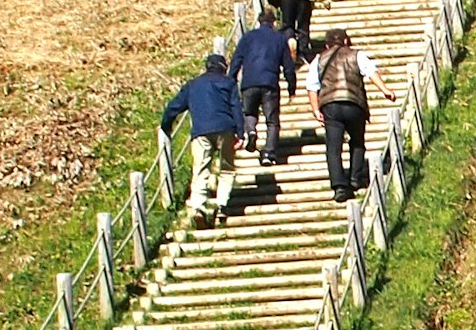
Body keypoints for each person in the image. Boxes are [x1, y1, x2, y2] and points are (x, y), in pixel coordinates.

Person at [162, 48, 244, 218]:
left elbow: (173, 107)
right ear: (224, 67)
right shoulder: (228, 83)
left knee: (200, 169)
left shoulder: (193, 85)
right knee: (227, 169)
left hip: (200, 131)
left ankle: (198, 206)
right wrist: (241, 133)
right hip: (225, 128)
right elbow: (236, 108)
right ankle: (222, 205)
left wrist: (166, 126)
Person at [311, 30, 380, 202]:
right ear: (347, 41)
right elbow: (371, 72)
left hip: (330, 105)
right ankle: (355, 178)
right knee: (357, 141)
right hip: (354, 103)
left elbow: (312, 85)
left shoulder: (319, 59)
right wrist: (385, 90)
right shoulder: (357, 55)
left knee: (333, 148)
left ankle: (340, 187)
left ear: (327, 45)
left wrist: (315, 108)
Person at [234, 13, 296, 163]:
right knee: (272, 120)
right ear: (274, 22)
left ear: (258, 21)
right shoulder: (280, 39)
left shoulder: (248, 37)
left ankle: (251, 131)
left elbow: (237, 59)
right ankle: (269, 153)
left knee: (249, 112)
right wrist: (291, 86)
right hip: (270, 83)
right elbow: (288, 66)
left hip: (249, 82)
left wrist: (230, 80)